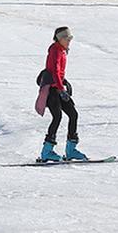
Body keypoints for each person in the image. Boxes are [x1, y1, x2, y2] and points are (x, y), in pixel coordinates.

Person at [36, 25, 86, 162]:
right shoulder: (56, 50)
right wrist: (60, 88)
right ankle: (47, 152)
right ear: (60, 39)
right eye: (67, 38)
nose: (69, 41)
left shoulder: (62, 50)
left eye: (70, 38)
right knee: (57, 117)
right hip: (53, 90)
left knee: (73, 114)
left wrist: (64, 82)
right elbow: (55, 71)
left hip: (58, 87)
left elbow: (59, 72)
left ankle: (71, 150)